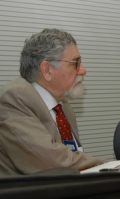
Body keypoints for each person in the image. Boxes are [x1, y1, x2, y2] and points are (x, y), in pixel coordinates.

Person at [0, 28, 102, 176]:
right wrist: (109, 166)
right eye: (75, 63)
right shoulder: (14, 98)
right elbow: (51, 163)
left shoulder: (63, 107)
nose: (83, 70)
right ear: (47, 70)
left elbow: (72, 159)